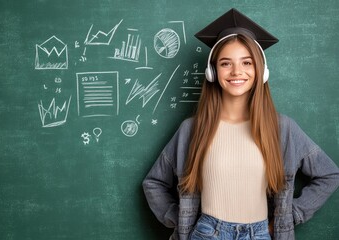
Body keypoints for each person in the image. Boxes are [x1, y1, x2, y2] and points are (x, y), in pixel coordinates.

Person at [142, 8, 339, 240]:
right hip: (206, 233)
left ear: (261, 70)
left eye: (247, 62)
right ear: (212, 72)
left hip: (260, 234)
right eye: (226, 63)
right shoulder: (191, 129)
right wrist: (183, 219)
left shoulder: (282, 128)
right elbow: (153, 182)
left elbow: (329, 175)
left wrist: (288, 215)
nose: (237, 71)